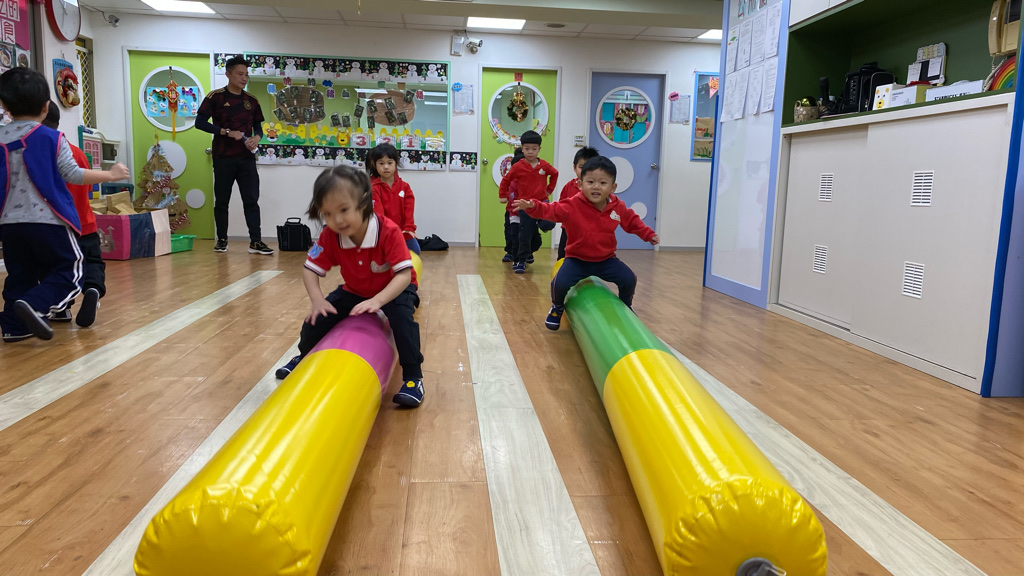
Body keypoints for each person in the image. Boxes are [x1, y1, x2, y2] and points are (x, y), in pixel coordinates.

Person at [275, 166, 425, 407]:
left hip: (393, 288)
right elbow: (310, 269)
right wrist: (317, 300)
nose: (337, 220)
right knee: (316, 319)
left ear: (364, 202)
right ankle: (303, 356)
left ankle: (413, 377)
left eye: (344, 210)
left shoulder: (388, 231)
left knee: (402, 321)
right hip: (355, 290)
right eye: (328, 214)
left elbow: (403, 276)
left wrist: (378, 301)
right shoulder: (330, 235)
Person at [0, 68, 128, 342]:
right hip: (48, 221)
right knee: (71, 271)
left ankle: (13, 326)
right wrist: (111, 175)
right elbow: (73, 174)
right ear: (45, 107)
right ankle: (35, 304)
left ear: (5, 106)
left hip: (9, 224)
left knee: (19, 274)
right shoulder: (52, 138)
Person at [514, 156, 659, 331]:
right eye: (590, 182)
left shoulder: (617, 206)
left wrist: (648, 235)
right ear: (580, 184)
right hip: (577, 260)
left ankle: (626, 305)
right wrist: (533, 206)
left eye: (603, 183)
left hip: (606, 260)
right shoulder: (573, 205)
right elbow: (552, 210)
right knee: (558, 284)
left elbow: (632, 222)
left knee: (629, 279)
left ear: (613, 187)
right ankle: (557, 307)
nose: (596, 187)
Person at [196, 56, 273, 255]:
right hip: (223, 157)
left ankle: (255, 242)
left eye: (246, 74)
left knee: (251, 200)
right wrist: (225, 132)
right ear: (228, 74)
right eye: (240, 74)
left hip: (246, 159)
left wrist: (257, 138)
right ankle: (222, 240)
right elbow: (200, 123)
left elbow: (258, 127)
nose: (244, 78)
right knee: (222, 201)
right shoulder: (215, 97)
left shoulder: (252, 101)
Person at [41, 101, 105, 328]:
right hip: (85, 222)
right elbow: (87, 188)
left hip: (57, 226)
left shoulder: (40, 154)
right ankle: (93, 288)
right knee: (92, 261)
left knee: (58, 268)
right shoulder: (77, 153)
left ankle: (62, 309)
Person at [498, 130, 558, 274]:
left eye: (534, 149)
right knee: (524, 235)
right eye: (527, 149)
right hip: (525, 205)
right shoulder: (518, 166)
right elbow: (506, 180)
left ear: (539, 149)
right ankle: (521, 260)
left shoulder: (544, 166)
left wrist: (549, 190)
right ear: (522, 149)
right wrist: (502, 195)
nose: (530, 152)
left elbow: (555, 174)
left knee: (549, 223)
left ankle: (538, 223)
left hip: (541, 202)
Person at [366, 143, 419, 254]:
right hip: (384, 233)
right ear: (375, 165)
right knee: (387, 256)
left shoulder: (405, 187)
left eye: (390, 163)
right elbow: (379, 214)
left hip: (404, 232)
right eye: (381, 163)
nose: (386, 167)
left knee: (415, 251)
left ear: (396, 163)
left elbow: (409, 210)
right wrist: (387, 233)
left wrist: (409, 228)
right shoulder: (374, 188)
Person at [556, 146, 599, 260]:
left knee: (588, 257)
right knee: (563, 257)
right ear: (574, 168)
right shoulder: (569, 186)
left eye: (590, 167)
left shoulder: (597, 189)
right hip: (568, 230)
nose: (585, 171)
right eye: (581, 167)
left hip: (590, 231)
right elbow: (561, 206)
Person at [498, 148, 541, 264]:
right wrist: (505, 196)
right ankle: (512, 252)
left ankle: (527, 253)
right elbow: (504, 188)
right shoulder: (510, 179)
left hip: (528, 213)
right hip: (512, 212)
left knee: (529, 236)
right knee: (511, 234)